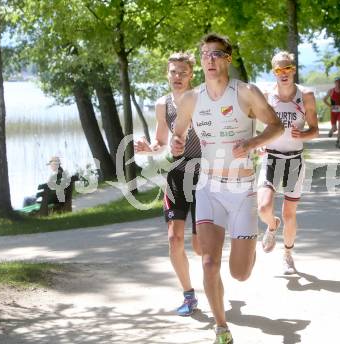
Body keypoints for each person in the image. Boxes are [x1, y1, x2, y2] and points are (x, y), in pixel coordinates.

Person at [171, 33, 283, 344]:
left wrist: (252, 142)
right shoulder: (191, 99)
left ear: (228, 59)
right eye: (204, 54)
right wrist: (176, 143)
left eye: (216, 54)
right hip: (208, 188)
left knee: (240, 274)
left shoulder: (246, 93)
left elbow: (276, 126)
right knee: (208, 262)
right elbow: (177, 135)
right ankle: (221, 328)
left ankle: (257, 235)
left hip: (242, 190)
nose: (209, 59)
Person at [134, 52, 202, 317]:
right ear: (167, 74)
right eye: (173, 72)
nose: (177, 77)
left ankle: (213, 282)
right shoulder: (163, 104)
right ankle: (189, 296)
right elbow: (160, 143)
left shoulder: (201, 99)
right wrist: (147, 149)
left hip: (204, 175)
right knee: (174, 239)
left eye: (183, 72)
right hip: (176, 176)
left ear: (191, 75)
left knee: (198, 246)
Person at [257, 51, 319, 275]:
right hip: (272, 157)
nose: (283, 73)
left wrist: (301, 135)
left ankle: (288, 254)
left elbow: (315, 130)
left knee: (289, 214)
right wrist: (259, 142)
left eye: (287, 69)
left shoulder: (307, 95)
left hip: (294, 160)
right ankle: (272, 226)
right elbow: (261, 126)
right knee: (263, 207)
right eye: (278, 70)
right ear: (274, 72)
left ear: (294, 69)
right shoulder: (266, 95)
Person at [323, 76, 340, 148]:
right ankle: (331, 130)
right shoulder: (331, 91)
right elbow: (324, 99)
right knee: (334, 128)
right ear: (335, 83)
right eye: (336, 82)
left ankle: (338, 142)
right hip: (333, 112)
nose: (338, 83)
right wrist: (330, 106)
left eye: (339, 82)